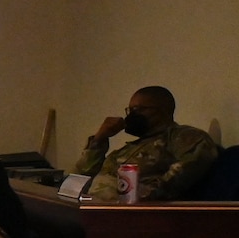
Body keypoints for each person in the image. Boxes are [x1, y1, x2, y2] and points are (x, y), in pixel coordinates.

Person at [72, 86, 218, 202]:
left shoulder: (182, 136)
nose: (131, 115)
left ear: (164, 111)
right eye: (130, 109)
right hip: (92, 210)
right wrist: (99, 139)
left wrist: (139, 197)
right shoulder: (129, 149)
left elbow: (188, 168)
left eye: (139, 109)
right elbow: (80, 176)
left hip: (133, 217)